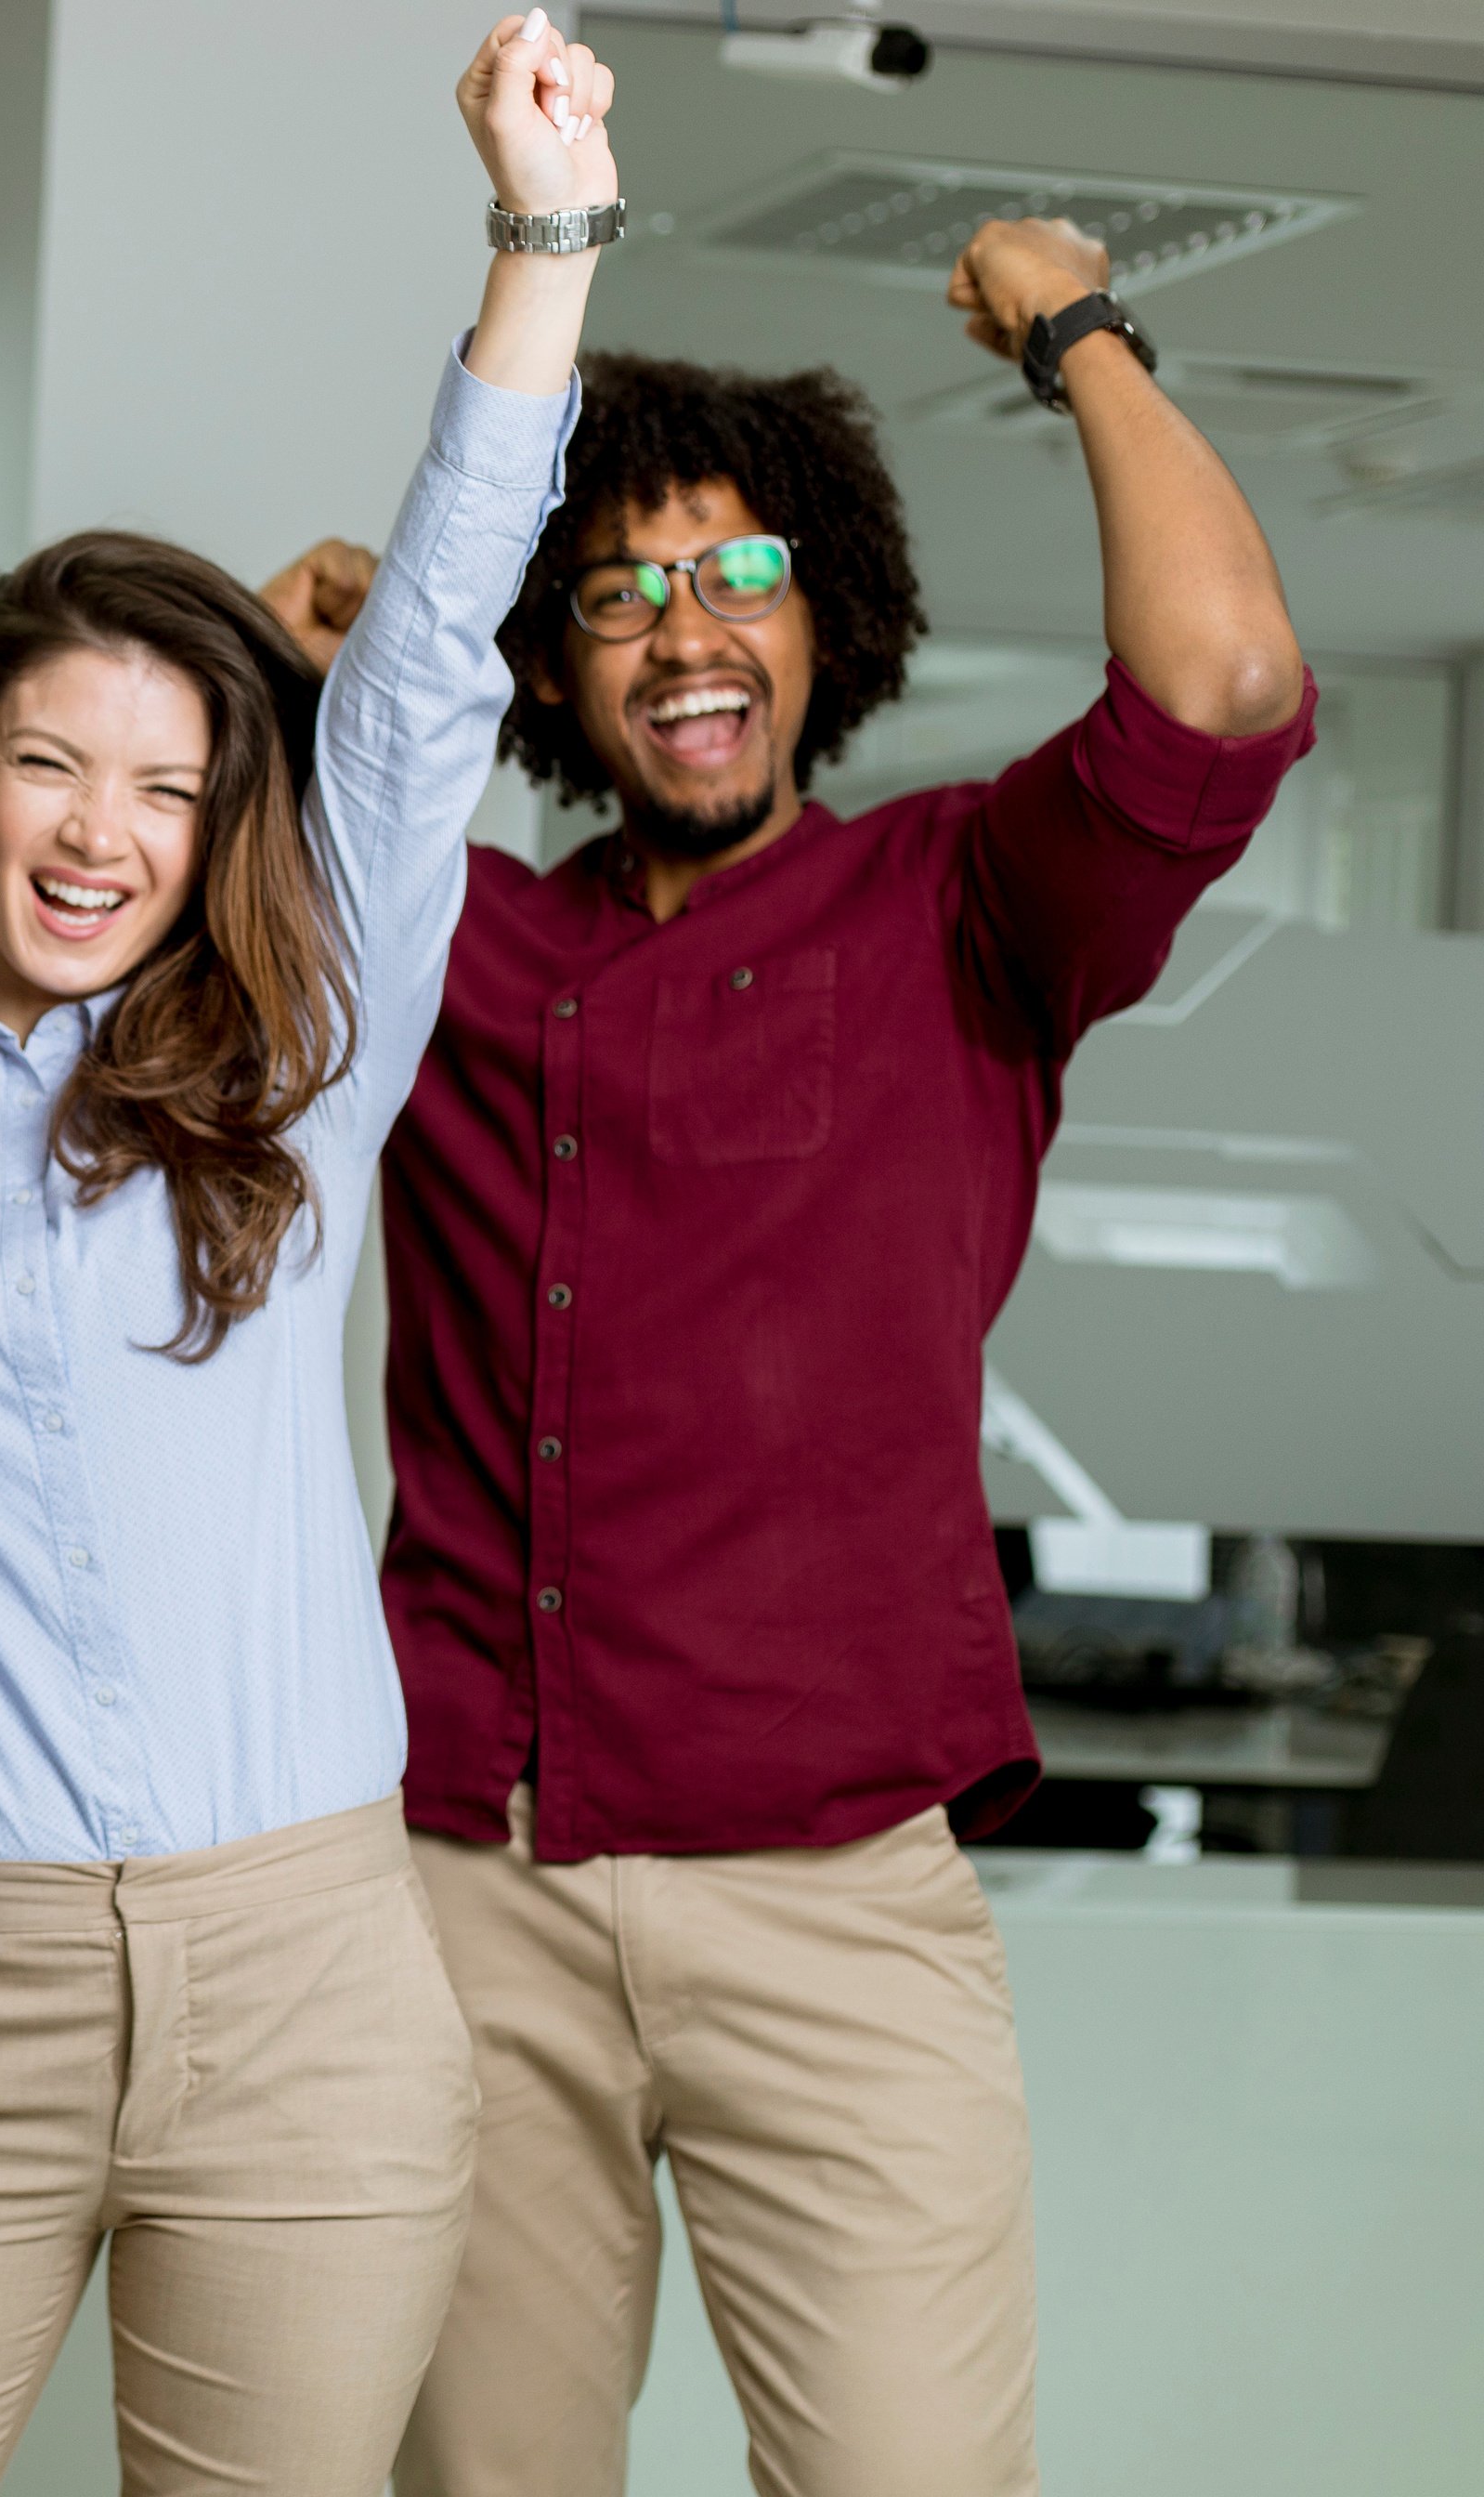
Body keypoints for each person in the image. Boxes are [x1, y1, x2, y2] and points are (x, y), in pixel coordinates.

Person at [369, 217, 1315, 2493]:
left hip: (837, 1906)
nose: (684, 633)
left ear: (829, 615)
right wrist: (353, 659)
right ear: (548, 667)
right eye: (614, 592)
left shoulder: (972, 904)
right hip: (463, 1886)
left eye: (738, 572)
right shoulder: (446, 942)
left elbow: (1218, 688)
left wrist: (1077, 335)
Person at [0, 19, 610, 2496]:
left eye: (170, 781)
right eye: (50, 762)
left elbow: (432, 660)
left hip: (314, 1982)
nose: (103, 830)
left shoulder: (305, 1051)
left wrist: (539, 241)